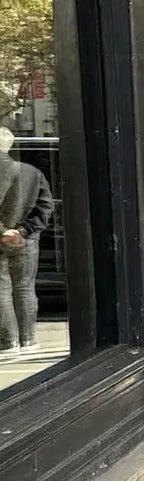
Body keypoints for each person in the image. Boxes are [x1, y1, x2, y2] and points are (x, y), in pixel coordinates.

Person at [0, 127, 54, 356]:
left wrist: (4, 232)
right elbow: (45, 206)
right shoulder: (32, 172)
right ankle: (28, 339)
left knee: (2, 289)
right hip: (26, 240)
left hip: (6, 238)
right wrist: (23, 231)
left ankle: (8, 341)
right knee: (24, 288)